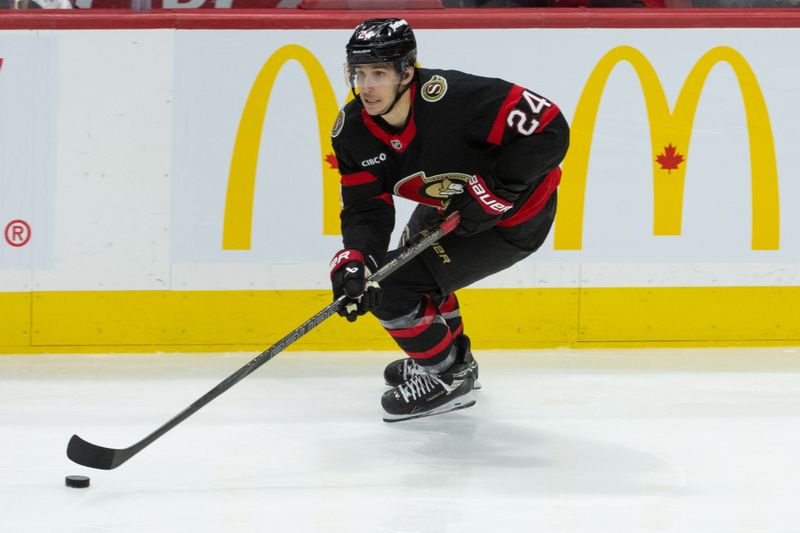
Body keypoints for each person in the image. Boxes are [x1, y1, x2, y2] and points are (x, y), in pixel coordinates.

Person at [329, 18, 569, 422]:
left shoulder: (455, 99)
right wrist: (357, 257)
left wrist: (500, 189)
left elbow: (549, 127)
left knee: (392, 286)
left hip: (515, 220)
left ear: (407, 72)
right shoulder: (352, 131)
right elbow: (366, 206)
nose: (366, 86)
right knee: (392, 269)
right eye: (359, 73)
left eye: (379, 73)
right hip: (451, 205)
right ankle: (450, 357)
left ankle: (447, 377)